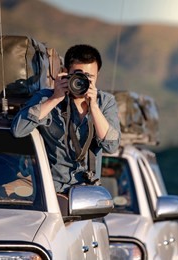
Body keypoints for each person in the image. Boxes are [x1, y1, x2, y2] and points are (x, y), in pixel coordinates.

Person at [11, 44, 121, 208]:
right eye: (77, 75)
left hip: (86, 197)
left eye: (89, 77)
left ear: (97, 76)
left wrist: (94, 108)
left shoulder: (105, 102)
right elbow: (18, 130)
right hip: (50, 195)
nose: (82, 82)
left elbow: (112, 146)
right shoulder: (46, 98)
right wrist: (55, 98)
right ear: (64, 72)